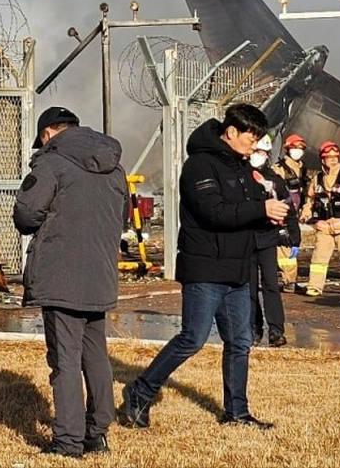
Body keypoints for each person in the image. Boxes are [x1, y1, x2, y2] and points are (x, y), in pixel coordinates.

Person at [121, 104, 288, 431]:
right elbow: (214, 212)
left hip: (238, 269)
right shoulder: (199, 165)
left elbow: (247, 208)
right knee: (192, 338)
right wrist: (259, 207)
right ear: (231, 132)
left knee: (240, 342)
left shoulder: (241, 166)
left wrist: (269, 215)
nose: (254, 145)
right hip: (205, 268)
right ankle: (141, 391)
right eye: (251, 137)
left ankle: (236, 413)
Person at [13, 106, 128, 457]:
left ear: (48, 133)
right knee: (96, 355)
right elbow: (121, 216)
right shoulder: (115, 165)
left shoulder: (51, 163)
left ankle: (67, 442)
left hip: (61, 274)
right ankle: (98, 433)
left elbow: (27, 214)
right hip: (101, 274)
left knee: (65, 360)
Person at [248, 134, 299, 347]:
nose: (259, 156)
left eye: (263, 153)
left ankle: (276, 331)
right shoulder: (240, 176)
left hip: (268, 238)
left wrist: (293, 235)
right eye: (256, 152)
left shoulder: (275, 180)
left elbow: (288, 207)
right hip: (245, 239)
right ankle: (253, 329)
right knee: (248, 287)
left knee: (270, 284)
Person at [302, 141, 340, 297]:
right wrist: (306, 212)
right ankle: (315, 286)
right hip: (324, 226)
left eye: (335, 157)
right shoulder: (317, 179)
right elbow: (309, 200)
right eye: (329, 157)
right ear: (322, 160)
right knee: (319, 258)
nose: (333, 160)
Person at [271, 133, 308, 291]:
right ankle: (288, 280)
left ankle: (287, 279)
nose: (298, 151)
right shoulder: (279, 169)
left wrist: (305, 209)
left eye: (300, 148)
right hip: (283, 210)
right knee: (285, 243)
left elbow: (305, 193)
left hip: (294, 211)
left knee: (291, 242)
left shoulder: (302, 169)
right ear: (287, 149)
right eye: (294, 148)